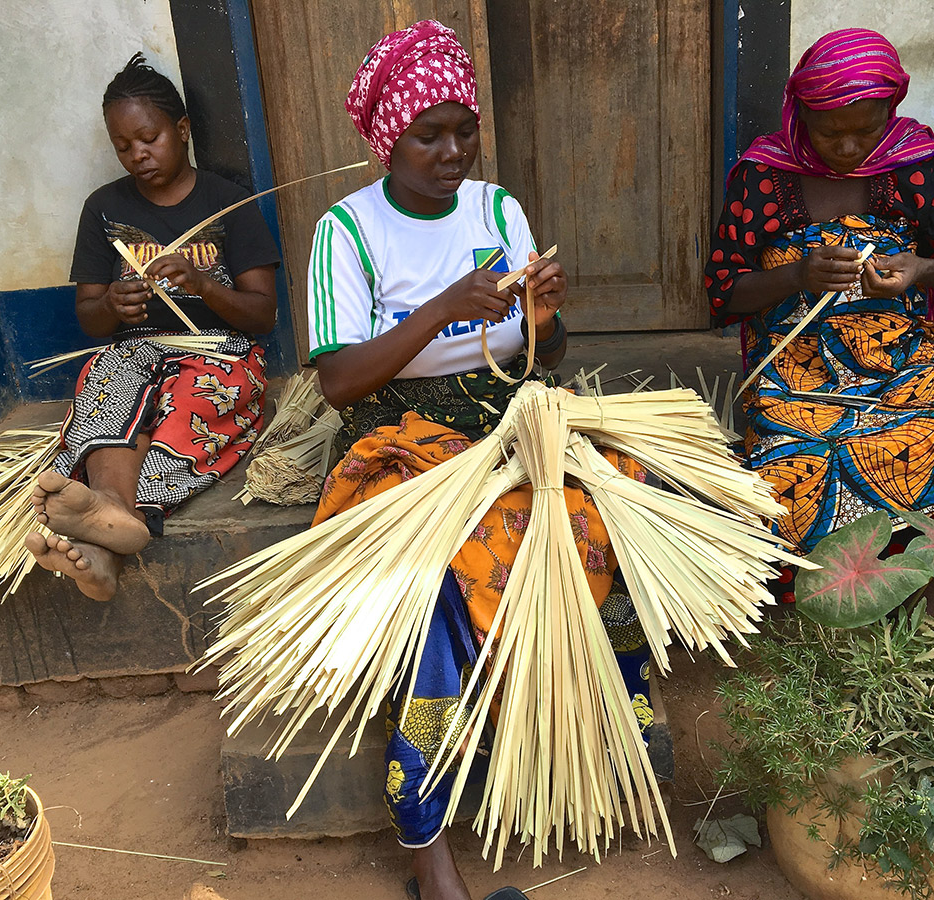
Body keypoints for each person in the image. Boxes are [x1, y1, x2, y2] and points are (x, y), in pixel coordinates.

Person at [311, 21, 654, 900]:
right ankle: (429, 851)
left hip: (511, 415)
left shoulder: (498, 209)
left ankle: (607, 741)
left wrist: (544, 316)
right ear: (391, 136)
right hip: (401, 434)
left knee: (603, 510)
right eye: (430, 134)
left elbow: (546, 353)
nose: (453, 150)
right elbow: (340, 381)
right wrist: (438, 309)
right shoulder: (346, 232)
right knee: (441, 571)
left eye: (465, 129)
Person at [705, 29, 934, 605]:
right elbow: (722, 293)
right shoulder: (762, 177)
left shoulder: (917, 169)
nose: (847, 149)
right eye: (828, 132)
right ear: (800, 112)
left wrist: (919, 269)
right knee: (797, 464)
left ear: (891, 111)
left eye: (865, 132)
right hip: (799, 363)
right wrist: (798, 276)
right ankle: (823, 595)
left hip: (901, 355)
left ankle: (921, 579)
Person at [25, 54, 280, 601]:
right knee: (109, 388)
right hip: (135, 350)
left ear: (181, 130)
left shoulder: (229, 202)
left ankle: (107, 536)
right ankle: (113, 524)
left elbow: (264, 314)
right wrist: (114, 305)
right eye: (123, 146)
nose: (137, 155)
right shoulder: (102, 209)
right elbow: (89, 316)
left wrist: (204, 284)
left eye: (149, 138)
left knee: (190, 403)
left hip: (222, 350)